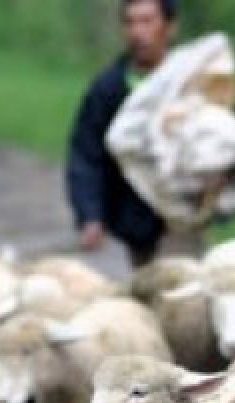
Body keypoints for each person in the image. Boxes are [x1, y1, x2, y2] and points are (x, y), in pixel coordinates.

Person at [66, 0, 180, 267]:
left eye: (147, 21)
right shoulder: (107, 89)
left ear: (170, 27)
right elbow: (86, 154)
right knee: (145, 291)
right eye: (130, 22)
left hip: (184, 218)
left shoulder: (194, 80)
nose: (137, 32)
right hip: (135, 222)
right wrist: (91, 215)